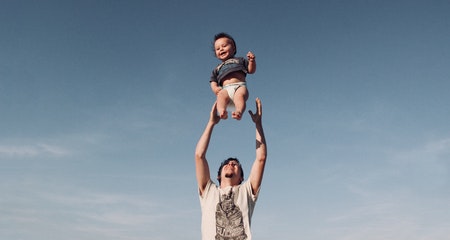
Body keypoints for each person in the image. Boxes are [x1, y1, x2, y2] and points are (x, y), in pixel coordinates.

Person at [195, 98, 267, 240]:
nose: (231, 164)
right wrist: (211, 123)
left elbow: (261, 158)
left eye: (235, 165)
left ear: (241, 177)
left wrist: (258, 124)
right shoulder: (209, 191)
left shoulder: (246, 191)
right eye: (227, 163)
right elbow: (199, 156)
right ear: (218, 176)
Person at [210, 32, 257, 120]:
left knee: (239, 97)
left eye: (224, 46)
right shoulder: (217, 68)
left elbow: (251, 70)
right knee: (220, 96)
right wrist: (215, 89)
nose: (221, 49)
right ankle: (222, 111)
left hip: (239, 86)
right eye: (217, 49)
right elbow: (213, 81)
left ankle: (238, 111)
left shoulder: (240, 60)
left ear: (233, 48)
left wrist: (251, 61)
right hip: (225, 89)